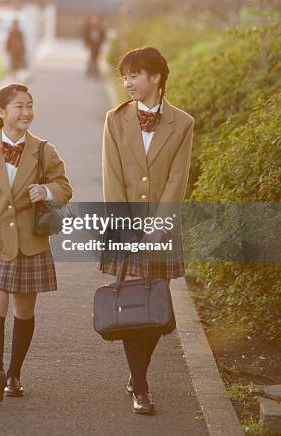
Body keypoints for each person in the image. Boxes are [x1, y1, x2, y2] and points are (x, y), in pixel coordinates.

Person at [0, 83, 72, 402]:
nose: (26, 112)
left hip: (31, 242)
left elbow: (64, 186)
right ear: (2, 112)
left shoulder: (44, 149)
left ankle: (15, 373)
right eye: (19, 106)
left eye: (30, 106)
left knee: (24, 310)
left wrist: (46, 192)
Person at [99, 46, 195, 415]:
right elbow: (111, 175)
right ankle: (140, 387)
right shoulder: (114, 119)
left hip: (161, 229)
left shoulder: (183, 123)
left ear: (156, 77)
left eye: (134, 75)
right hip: (125, 227)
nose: (127, 83)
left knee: (156, 308)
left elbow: (177, 180)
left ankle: (137, 373)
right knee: (129, 304)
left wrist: (156, 228)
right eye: (124, 76)